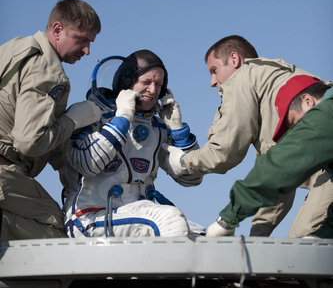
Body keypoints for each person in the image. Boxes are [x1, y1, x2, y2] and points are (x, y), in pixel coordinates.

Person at [159, 35, 333, 237]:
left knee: (305, 246)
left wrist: (183, 161)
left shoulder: (242, 77)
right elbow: (277, 178)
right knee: (307, 246)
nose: (212, 82)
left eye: (214, 71)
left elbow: (224, 151)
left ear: (234, 60)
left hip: (327, 172)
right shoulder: (274, 84)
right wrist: (258, 234)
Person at [62, 50, 203, 238]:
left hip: (135, 213)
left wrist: (178, 130)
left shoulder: (156, 127)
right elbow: (88, 163)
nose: (153, 91)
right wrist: (122, 118)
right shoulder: (91, 115)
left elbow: (191, 179)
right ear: (127, 83)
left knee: (203, 238)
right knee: (169, 222)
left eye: (158, 84)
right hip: (89, 217)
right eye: (146, 82)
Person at [0, 0, 102, 241]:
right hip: (4, 171)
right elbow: (30, 141)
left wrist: (66, 172)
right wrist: (73, 122)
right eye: (82, 40)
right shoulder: (47, 69)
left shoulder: (14, 48)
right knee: (57, 234)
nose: (87, 51)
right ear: (58, 30)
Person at [206, 75, 333, 238]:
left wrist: (228, 218)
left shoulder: (327, 114)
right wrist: (325, 233)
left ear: (307, 101)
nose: (297, 133)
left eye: (296, 123)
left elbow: (281, 165)